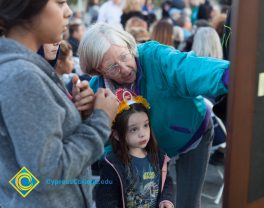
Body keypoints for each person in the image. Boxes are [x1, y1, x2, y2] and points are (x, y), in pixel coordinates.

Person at [0, 0, 118, 207]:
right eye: (61, 1)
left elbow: (23, 163)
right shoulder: (22, 76)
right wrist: (101, 119)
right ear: (28, 5)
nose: (69, 11)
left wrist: (74, 114)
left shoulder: (20, 69)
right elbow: (49, 171)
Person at [79, 22, 230, 207]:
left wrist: (229, 75)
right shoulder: (99, 93)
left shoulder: (154, 56)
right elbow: (107, 143)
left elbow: (186, 68)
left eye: (125, 56)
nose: (125, 69)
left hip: (190, 133)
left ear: (129, 46)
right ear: (97, 70)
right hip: (149, 150)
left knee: (187, 203)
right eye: (113, 67)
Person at [94, 89, 174, 208]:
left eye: (145, 125)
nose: (142, 133)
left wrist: (166, 200)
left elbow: (166, 182)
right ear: (116, 135)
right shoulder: (112, 165)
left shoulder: (158, 156)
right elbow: (105, 199)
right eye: (134, 129)